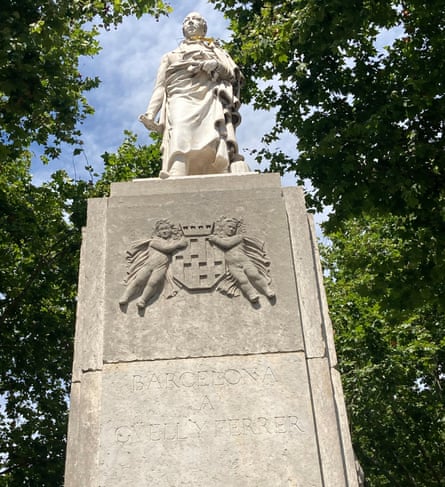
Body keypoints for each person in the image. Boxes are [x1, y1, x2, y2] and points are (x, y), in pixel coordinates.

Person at [139, 12, 248, 178]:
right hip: (180, 94)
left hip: (211, 92)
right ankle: (177, 169)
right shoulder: (170, 56)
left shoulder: (217, 51)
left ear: (203, 27)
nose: (190, 22)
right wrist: (151, 113)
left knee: (215, 132)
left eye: (195, 19)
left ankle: (221, 168)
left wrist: (216, 66)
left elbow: (234, 76)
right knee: (180, 126)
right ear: (183, 28)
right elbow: (160, 87)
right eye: (186, 20)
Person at [119, 220, 188, 310]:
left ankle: (143, 300)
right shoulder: (154, 241)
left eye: (167, 228)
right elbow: (166, 249)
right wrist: (179, 244)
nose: (164, 231)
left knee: (153, 282)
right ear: (157, 232)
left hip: (161, 267)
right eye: (161, 229)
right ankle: (125, 296)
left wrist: (182, 241)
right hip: (148, 265)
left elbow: (178, 248)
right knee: (138, 280)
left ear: (171, 230)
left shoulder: (172, 242)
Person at [208, 217, 275, 303]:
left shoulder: (238, 238)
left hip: (245, 262)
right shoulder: (220, 239)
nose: (232, 229)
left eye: (234, 228)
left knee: (254, 275)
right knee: (242, 280)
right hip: (232, 265)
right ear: (223, 228)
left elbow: (227, 244)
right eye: (229, 227)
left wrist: (215, 239)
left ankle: (267, 290)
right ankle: (251, 294)